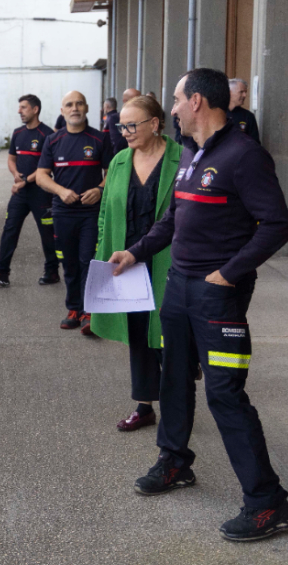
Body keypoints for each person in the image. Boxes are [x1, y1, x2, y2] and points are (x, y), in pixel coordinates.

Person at [109, 68, 288, 542]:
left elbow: (277, 225)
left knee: (224, 393)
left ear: (197, 101)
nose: (171, 108)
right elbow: (173, 219)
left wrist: (226, 274)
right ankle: (175, 461)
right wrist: (136, 251)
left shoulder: (244, 156)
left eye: (175, 99)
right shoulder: (192, 155)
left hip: (219, 296)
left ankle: (267, 502)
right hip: (179, 288)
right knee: (173, 377)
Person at [91, 95, 181, 432]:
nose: (125, 131)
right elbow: (105, 214)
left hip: (167, 261)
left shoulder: (181, 159)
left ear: (155, 124)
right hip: (127, 261)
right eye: (122, 126)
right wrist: (104, 247)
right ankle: (145, 406)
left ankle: (177, 404)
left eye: (132, 125)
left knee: (169, 333)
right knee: (139, 333)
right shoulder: (118, 162)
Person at [34, 91, 112, 335]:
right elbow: (41, 176)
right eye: (69, 104)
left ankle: (90, 312)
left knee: (88, 260)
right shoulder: (53, 141)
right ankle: (73, 309)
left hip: (91, 213)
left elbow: (112, 173)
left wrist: (100, 190)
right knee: (68, 262)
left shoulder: (100, 139)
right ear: (62, 111)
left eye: (79, 103)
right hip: (63, 212)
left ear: (87, 108)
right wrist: (60, 191)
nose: (74, 108)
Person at [0, 94, 59, 287]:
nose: (19, 111)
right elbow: (11, 158)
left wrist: (25, 180)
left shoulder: (48, 135)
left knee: (47, 233)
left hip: (41, 193)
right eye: (19, 107)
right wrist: (16, 174)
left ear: (35, 109)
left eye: (23, 107)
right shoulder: (18, 133)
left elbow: (46, 167)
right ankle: (1, 271)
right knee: (10, 230)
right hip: (20, 194)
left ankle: (52, 271)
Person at [228, 78, 260, 143]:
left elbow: (255, 143)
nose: (244, 95)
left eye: (245, 92)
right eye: (241, 92)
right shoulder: (218, 113)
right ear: (229, 93)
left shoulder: (248, 116)